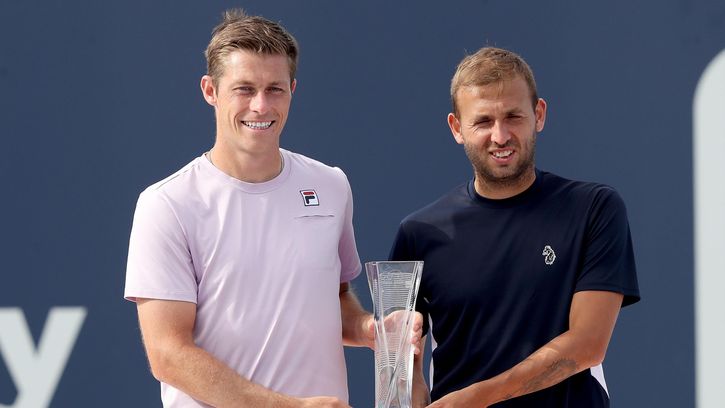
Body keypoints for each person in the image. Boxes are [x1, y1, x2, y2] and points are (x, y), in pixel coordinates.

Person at [124, 10, 420, 408]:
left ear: (292, 89)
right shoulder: (166, 204)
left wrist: (370, 329)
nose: (261, 106)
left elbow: (333, 297)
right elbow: (169, 355)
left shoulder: (331, 185)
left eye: (274, 89)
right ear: (210, 90)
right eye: (244, 89)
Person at [389, 47, 640, 407]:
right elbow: (399, 371)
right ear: (457, 128)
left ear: (539, 114)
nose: (500, 135)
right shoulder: (416, 233)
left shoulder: (594, 208)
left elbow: (588, 344)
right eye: (483, 122)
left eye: (513, 116)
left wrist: (478, 398)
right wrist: (409, 389)